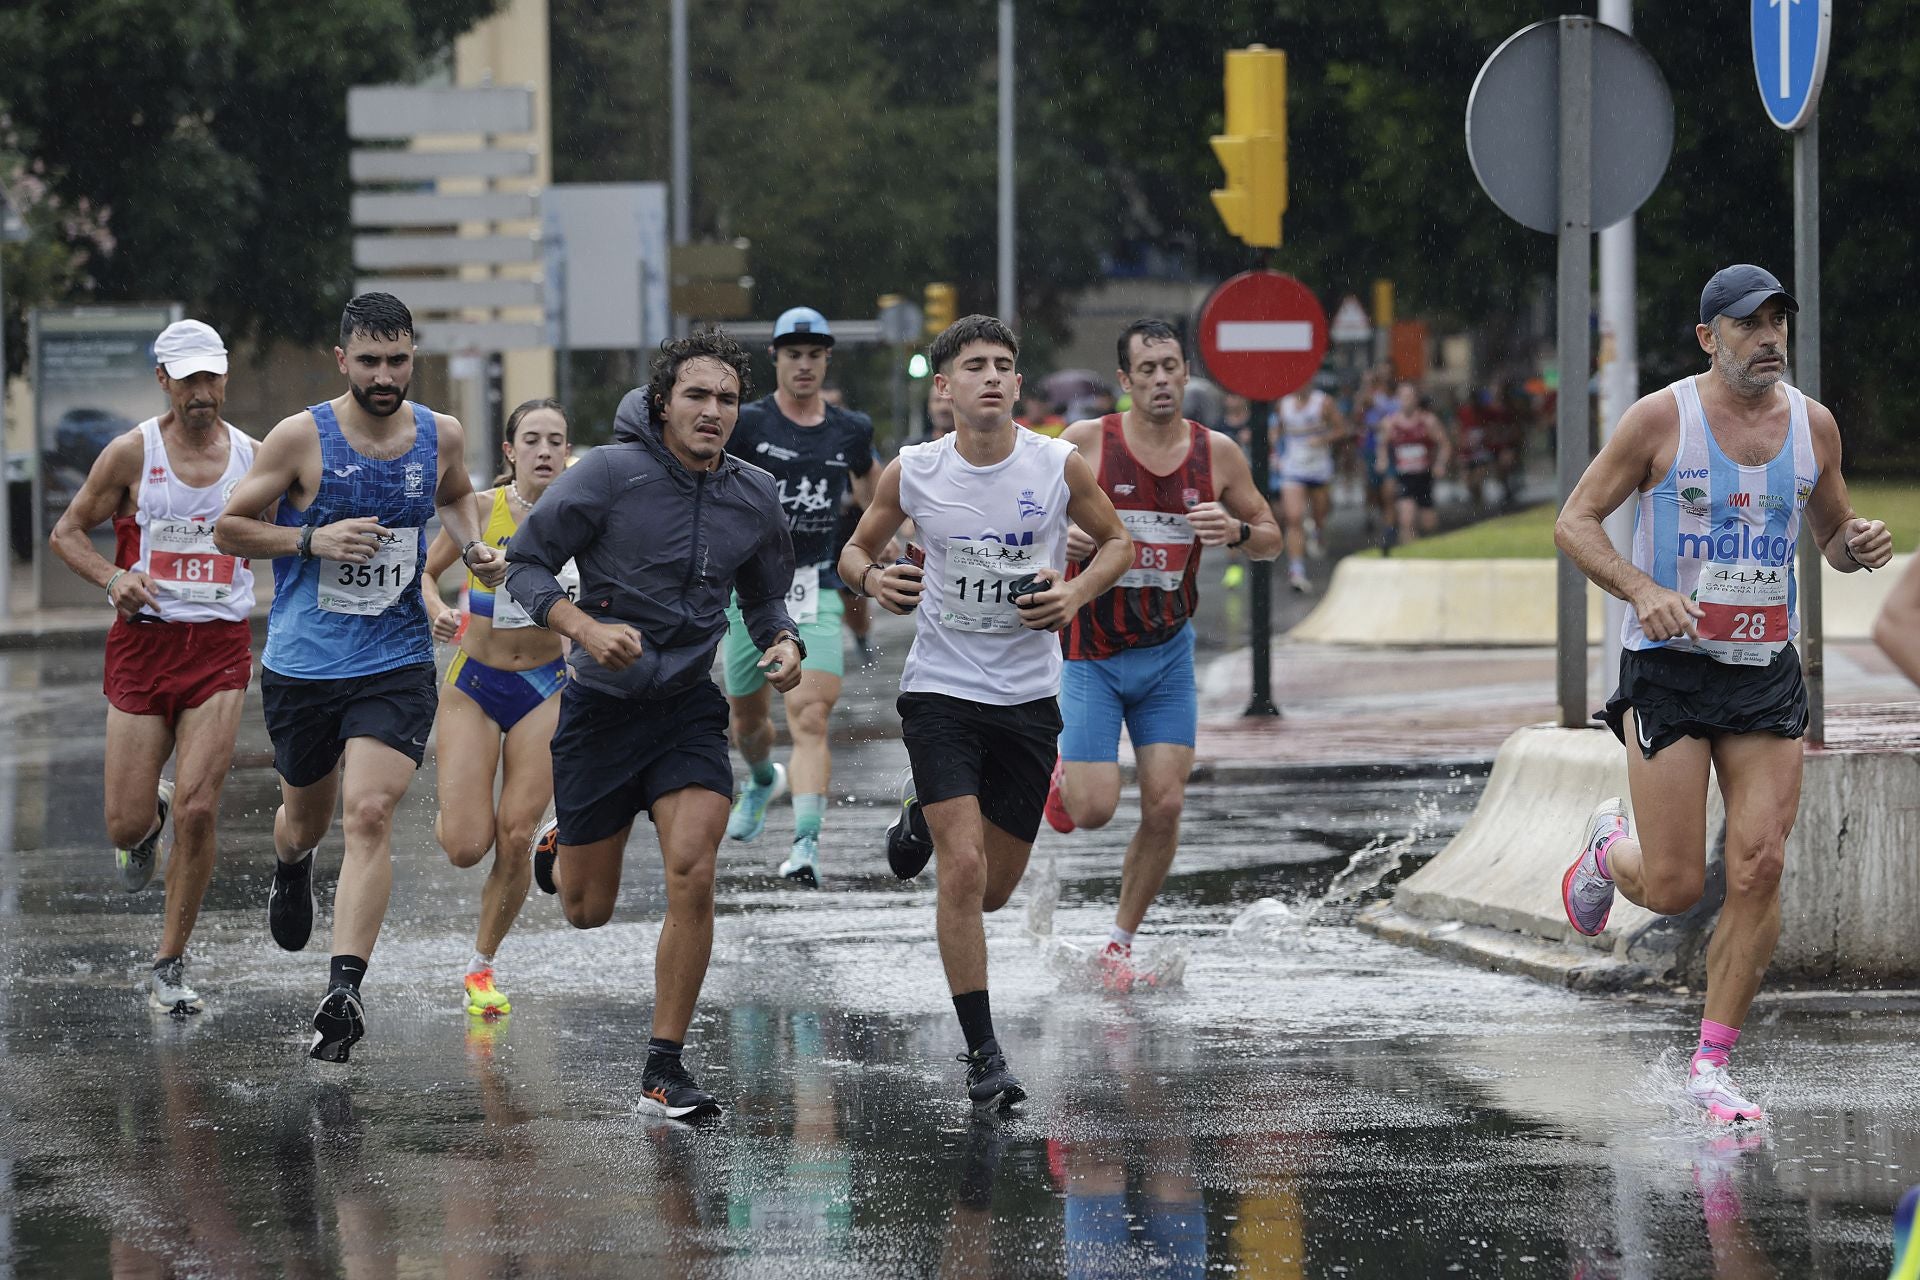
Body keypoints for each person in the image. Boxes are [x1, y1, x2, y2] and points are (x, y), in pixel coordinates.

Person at [1554, 264, 1892, 1123]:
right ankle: (1606, 852)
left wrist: (1857, 543)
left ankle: (1711, 1065)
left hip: (1763, 674)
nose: (1769, 336)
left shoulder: (1814, 426)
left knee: (1759, 864)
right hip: (1670, 668)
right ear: (1709, 337)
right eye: (1749, 324)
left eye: (1778, 320)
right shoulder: (1661, 419)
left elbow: (1830, 536)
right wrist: (1641, 589)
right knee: (1671, 887)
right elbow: (1576, 521)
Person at [837, 314, 1131, 1108]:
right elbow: (855, 550)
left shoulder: (1057, 464)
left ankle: (918, 815)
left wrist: (1073, 591)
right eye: (976, 366)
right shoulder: (914, 471)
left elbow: (1117, 545)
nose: (993, 377)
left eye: (1005, 365)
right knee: (960, 871)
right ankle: (985, 1057)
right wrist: (873, 581)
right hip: (941, 693)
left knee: (993, 890)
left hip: (1029, 698)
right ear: (945, 387)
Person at [507, 329, 802, 1120]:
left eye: (728, 400)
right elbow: (525, 564)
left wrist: (783, 641)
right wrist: (583, 630)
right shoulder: (607, 474)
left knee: (693, 868)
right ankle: (562, 836)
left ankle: (662, 1069)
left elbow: (766, 595)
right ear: (664, 402)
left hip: (684, 712)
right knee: (586, 909)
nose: (712, 412)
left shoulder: (754, 494)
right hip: (600, 710)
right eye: (697, 396)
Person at [214, 292, 505, 1062]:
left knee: (371, 812)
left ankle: (344, 990)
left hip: (397, 658)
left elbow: (455, 497)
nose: (385, 375)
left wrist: (474, 549)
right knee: (306, 819)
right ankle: (291, 862)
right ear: (343, 360)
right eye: (369, 361)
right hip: (305, 666)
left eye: (398, 360)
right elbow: (230, 528)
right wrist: (313, 538)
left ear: (415, 357)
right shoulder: (299, 438)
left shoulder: (440, 434)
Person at [1042, 319, 1281, 990]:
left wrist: (1235, 530)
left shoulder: (1218, 455)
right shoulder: (1086, 444)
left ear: (1185, 373)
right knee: (1091, 811)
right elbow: (1026, 517)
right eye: (1145, 370)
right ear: (1125, 381)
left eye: (1169, 367)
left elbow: (1271, 537)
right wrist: (1065, 538)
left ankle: (1118, 945)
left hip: (1168, 655)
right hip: (1092, 652)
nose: (1159, 381)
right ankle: (1062, 779)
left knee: (1166, 805)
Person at [49, 319, 256, 1015]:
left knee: (201, 807)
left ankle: (169, 964)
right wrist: (113, 580)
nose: (203, 392)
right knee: (124, 825)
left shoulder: (254, 458)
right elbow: (67, 532)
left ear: (226, 377)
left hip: (220, 648)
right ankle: (148, 814)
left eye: (212, 377)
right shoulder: (130, 454)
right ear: (163, 380)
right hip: (145, 646)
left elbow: (289, 528)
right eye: (188, 378)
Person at [420, 398, 576, 1018]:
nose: (544, 450)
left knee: (514, 835)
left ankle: (481, 967)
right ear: (510, 452)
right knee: (465, 845)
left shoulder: (586, 516)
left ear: (568, 451)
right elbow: (425, 575)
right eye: (531, 440)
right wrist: (437, 610)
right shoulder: (479, 510)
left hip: (546, 684)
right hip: (475, 683)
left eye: (555, 440)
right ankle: (463, 814)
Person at [720, 307, 876, 886]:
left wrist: (895, 541)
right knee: (748, 720)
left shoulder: (850, 428)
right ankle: (763, 779)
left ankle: (806, 844)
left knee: (810, 715)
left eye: (814, 354)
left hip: (815, 586)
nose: (804, 364)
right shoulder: (749, 425)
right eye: (793, 354)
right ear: (776, 360)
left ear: (826, 359)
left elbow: (872, 495)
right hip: (749, 589)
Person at [1275, 383, 1344, 593]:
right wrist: (1275, 454)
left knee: (1320, 513)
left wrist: (1323, 438)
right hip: (1293, 467)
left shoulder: (1323, 402)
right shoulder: (1283, 404)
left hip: (1318, 468)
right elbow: (1276, 431)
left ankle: (1318, 530)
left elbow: (1341, 430)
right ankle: (1297, 571)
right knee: (1293, 518)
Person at [1376, 382, 1449, 552]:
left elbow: (1444, 444)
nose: (1405, 401)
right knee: (1406, 519)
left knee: (1428, 523)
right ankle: (1410, 555)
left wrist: (1440, 463)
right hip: (1404, 476)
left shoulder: (1428, 421)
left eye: (1409, 397)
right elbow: (1382, 444)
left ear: (1416, 399)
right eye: (1402, 397)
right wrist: (1382, 460)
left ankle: (1430, 552)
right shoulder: (1390, 423)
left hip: (1424, 476)